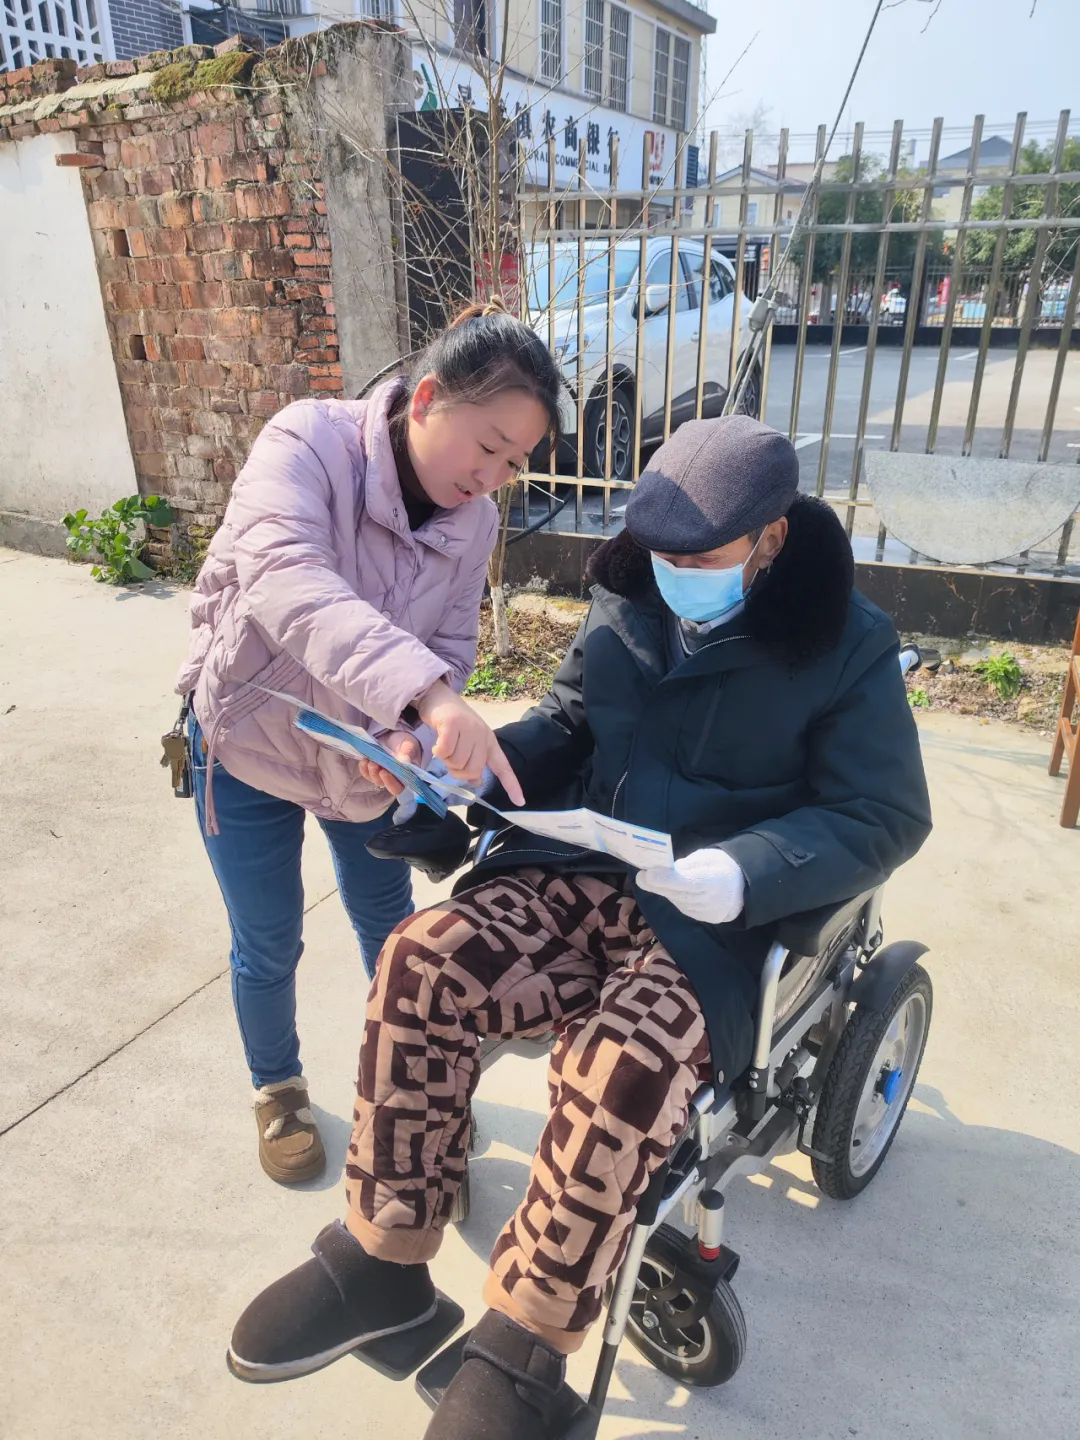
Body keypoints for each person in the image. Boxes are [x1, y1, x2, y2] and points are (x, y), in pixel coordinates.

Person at [226, 416, 933, 1435]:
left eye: (700, 558)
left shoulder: (845, 644)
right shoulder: (631, 595)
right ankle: (383, 1263)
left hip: (718, 923)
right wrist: (465, 778)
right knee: (421, 963)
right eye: (661, 552)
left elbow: (882, 812)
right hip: (586, 866)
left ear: (770, 538)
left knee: (621, 1064)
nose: (674, 575)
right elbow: (569, 725)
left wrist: (743, 871)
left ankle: (527, 1348)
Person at [176, 300, 559, 1185]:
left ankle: (412, 1086)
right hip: (247, 743)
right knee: (267, 941)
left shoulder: (475, 522)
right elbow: (288, 581)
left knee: (394, 936)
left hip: (361, 767)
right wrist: (427, 695)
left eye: (514, 463)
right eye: (488, 445)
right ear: (427, 398)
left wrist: (408, 733)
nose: (493, 476)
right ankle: (277, 1087)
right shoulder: (307, 443)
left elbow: (450, 644)